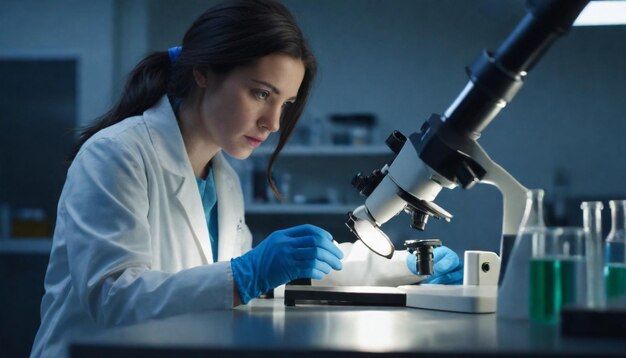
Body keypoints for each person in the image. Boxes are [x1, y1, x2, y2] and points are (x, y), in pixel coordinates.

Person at [31, 0, 462, 356]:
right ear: (204, 71)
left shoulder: (224, 181)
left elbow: (260, 281)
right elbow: (114, 300)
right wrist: (244, 274)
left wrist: (401, 268)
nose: (273, 122)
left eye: (286, 103)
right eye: (260, 93)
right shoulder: (116, 155)